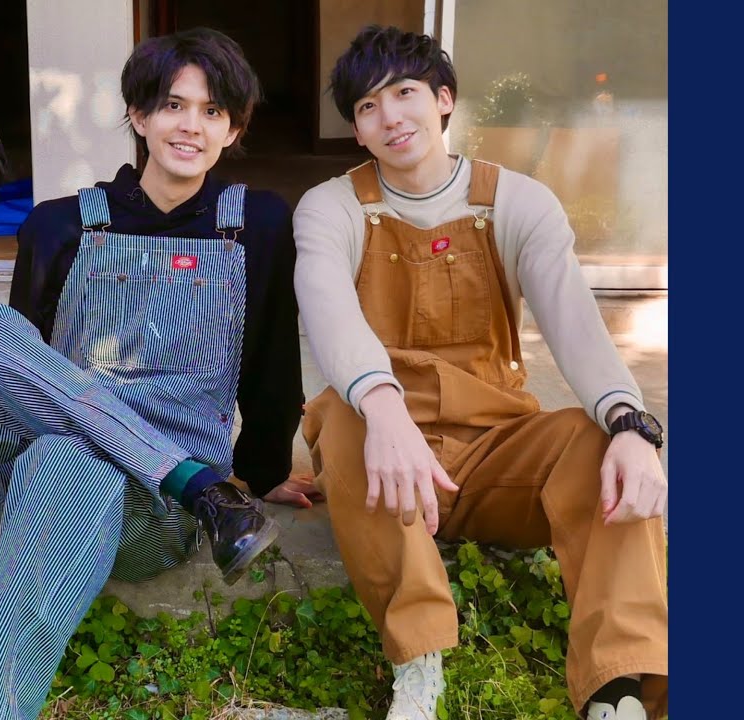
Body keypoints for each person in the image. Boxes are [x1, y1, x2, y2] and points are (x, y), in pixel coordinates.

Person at [293, 25, 668, 720]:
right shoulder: (331, 207)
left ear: (443, 99)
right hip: (383, 448)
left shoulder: (518, 202)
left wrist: (629, 422)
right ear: (358, 130)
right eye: (368, 106)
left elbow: (574, 323)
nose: (390, 116)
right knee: (339, 417)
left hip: (497, 446)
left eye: (405, 93)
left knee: (600, 444)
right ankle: (419, 660)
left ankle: (618, 689)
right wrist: (383, 408)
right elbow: (328, 315)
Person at [0, 27, 306, 720]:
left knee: (65, 460)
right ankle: (201, 487)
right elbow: (19, 360)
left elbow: (271, 364)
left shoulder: (256, 224)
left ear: (233, 130)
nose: (191, 126)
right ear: (138, 116)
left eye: (212, 111)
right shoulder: (57, 225)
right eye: (172, 105)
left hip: (151, 516)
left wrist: (263, 470)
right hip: (64, 461)